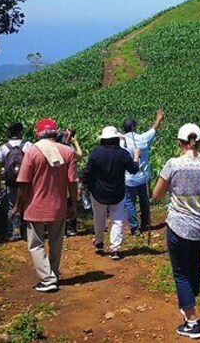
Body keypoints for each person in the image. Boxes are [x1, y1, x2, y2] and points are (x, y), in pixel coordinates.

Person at [153, 123, 200, 340]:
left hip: (179, 226)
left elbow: (156, 195)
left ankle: (192, 322)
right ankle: (190, 298)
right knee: (194, 263)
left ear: (179, 142)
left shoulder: (173, 164)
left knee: (181, 272)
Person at [12, 118, 78, 293]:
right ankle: (53, 274)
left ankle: (47, 279)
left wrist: (18, 206)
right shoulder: (67, 152)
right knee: (56, 242)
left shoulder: (33, 152)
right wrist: (74, 203)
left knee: (36, 244)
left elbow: (23, 183)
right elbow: (72, 182)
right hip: (58, 206)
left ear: (38, 133)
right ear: (56, 132)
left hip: (35, 206)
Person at [83, 126, 139, 261]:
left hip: (98, 192)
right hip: (117, 192)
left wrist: (87, 186)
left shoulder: (96, 152)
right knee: (118, 220)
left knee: (99, 218)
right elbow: (133, 169)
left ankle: (99, 241)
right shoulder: (123, 153)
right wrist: (136, 157)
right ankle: (115, 249)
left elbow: (87, 172)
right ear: (116, 139)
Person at [121, 110, 164, 235]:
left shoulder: (121, 142)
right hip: (143, 177)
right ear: (134, 127)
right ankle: (145, 223)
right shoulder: (142, 139)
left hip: (128, 179)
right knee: (144, 200)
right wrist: (158, 119)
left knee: (130, 203)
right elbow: (153, 129)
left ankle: (135, 227)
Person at [0, 122, 32, 241]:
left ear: (9, 132)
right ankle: (27, 231)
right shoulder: (28, 145)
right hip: (26, 181)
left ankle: (13, 230)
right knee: (26, 204)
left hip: (11, 181)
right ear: (21, 132)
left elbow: (0, 168)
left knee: (12, 204)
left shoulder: (3, 147)